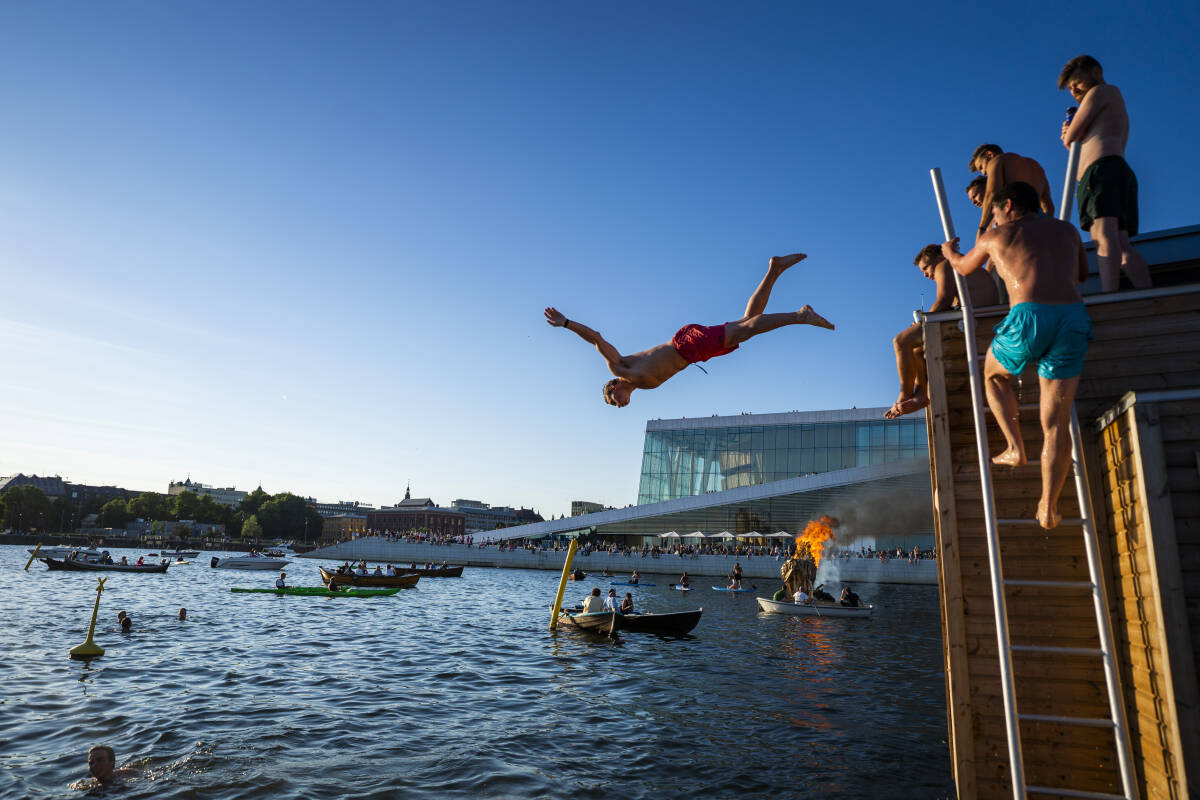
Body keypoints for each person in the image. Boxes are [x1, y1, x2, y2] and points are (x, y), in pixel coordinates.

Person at [942, 182, 1091, 529]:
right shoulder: (1067, 230)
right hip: (1072, 317)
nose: (992, 218)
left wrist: (949, 253)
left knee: (991, 375)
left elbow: (964, 268)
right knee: (1056, 423)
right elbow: (1082, 274)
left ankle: (1015, 447)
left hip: (1029, 316)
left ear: (1007, 205)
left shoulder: (997, 235)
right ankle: (1048, 506)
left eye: (994, 212)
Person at [545, 253, 834, 407]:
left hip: (686, 344)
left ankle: (800, 315)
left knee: (747, 329)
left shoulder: (619, 368)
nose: (618, 406)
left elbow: (596, 338)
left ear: (613, 388)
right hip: (696, 355)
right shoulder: (643, 385)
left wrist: (567, 323)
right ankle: (774, 269)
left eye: (613, 401)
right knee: (748, 322)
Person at [1059, 54, 1151, 292]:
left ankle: (1109, 294)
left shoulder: (1101, 92)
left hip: (1102, 171)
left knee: (1102, 235)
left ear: (1096, 73)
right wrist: (1070, 137)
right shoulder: (1108, 104)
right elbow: (1076, 141)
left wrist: (1068, 134)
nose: (1074, 90)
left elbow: (1072, 136)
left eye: (1077, 82)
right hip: (1113, 170)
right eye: (1070, 87)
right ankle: (1146, 291)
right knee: (1121, 243)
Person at [886, 245, 998, 419]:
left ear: (939, 257)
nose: (925, 274)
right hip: (979, 320)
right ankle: (921, 393)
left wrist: (922, 322)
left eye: (925, 267)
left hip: (975, 323)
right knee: (916, 348)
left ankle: (904, 396)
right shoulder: (961, 268)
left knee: (901, 341)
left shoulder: (945, 265)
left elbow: (943, 300)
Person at [969, 144, 1056, 236]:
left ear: (989, 154)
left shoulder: (997, 161)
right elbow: (1048, 205)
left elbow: (992, 194)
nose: (983, 173)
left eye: (981, 166)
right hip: (1039, 218)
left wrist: (981, 229)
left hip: (1014, 217)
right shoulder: (1035, 166)